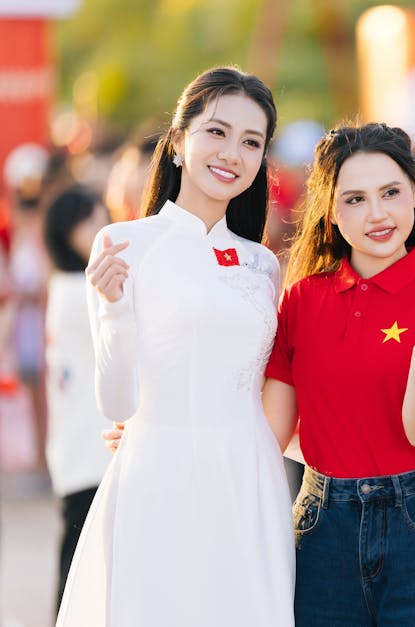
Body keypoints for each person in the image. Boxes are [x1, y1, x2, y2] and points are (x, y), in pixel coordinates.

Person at [56, 66, 294, 627]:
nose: (232, 152)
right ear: (180, 142)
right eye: (217, 131)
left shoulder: (264, 263)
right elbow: (116, 404)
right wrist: (114, 308)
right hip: (159, 472)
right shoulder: (123, 244)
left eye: (251, 141)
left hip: (250, 476)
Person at [261, 122, 415, 626]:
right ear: (331, 212)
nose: (377, 214)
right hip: (321, 525)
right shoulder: (302, 299)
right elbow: (267, 436)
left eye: (391, 193)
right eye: (355, 199)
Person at [42, 185, 113, 611]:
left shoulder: (64, 284)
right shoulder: (78, 289)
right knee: (76, 581)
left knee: (78, 575)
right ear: (67, 231)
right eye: (91, 220)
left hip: (78, 451)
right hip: (88, 454)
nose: (102, 226)